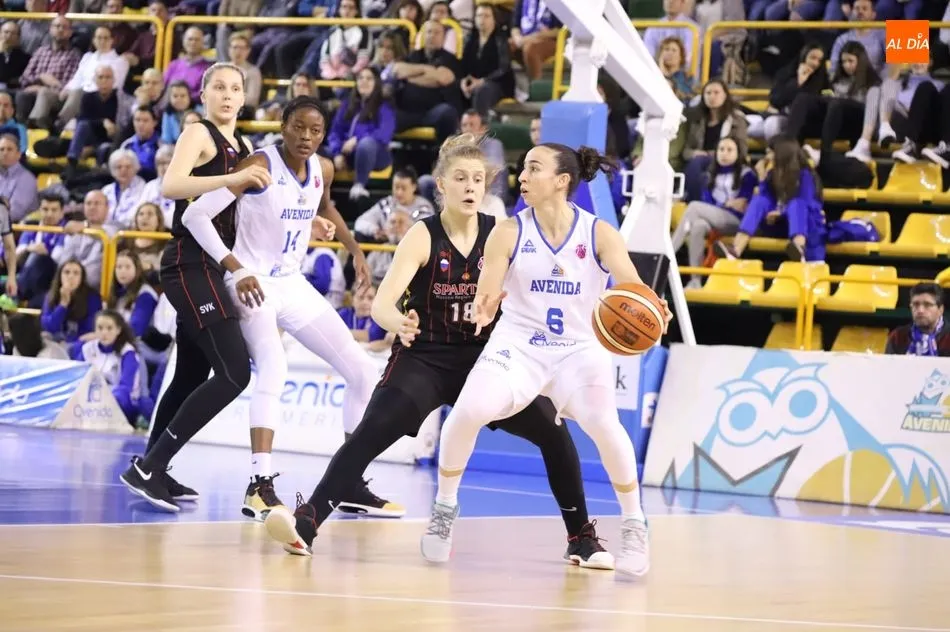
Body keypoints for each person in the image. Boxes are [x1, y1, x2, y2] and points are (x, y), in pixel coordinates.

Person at [261, 134, 617, 573]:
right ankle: (306, 524)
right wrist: (397, 322)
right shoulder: (422, 235)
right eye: (461, 178)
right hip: (425, 356)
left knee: (555, 434)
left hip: (489, 360)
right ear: (441, 186)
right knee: (370, 432)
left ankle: (581, 538)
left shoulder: (505, 233)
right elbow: (386, 304)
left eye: (479, 179)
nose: (471, 186)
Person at [418, 143, 673, 577]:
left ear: (561, 181)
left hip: (578, 350)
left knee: (603, 424)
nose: (521, 176)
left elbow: (633, 290)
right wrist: (483, 306)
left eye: (533, 168)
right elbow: (488, 290)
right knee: (468, 411)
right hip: (520, 346)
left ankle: (634, 522)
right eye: (523, 167)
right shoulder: (508, 232)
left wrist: (652, 309)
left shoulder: (599, 234)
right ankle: (444, 510)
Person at [177, 96, 393, 521]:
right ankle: (259, 485)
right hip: (251, 281)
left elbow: (325, 203)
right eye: (299, 128)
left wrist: (354, 248)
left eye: (316, 131)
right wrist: (236, 269)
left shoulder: (323, 168)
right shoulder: (259, 165)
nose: (307, 137)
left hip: (291, 282)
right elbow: (195, 217)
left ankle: (348, 480)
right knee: (274, 368)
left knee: (363, 370)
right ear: (283, 126)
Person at [119, 62, 269, 513]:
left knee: (190, 375)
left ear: (244, 98)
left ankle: (153, 465)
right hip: (188, 263)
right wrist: (230, 178)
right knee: (235, 373)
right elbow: (171, 185)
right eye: (218, 87)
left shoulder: (246, 146)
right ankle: (149, 468)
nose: (227, 95)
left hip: (214, 265)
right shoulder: (198, 134)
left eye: (235, 89)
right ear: (204, 95)